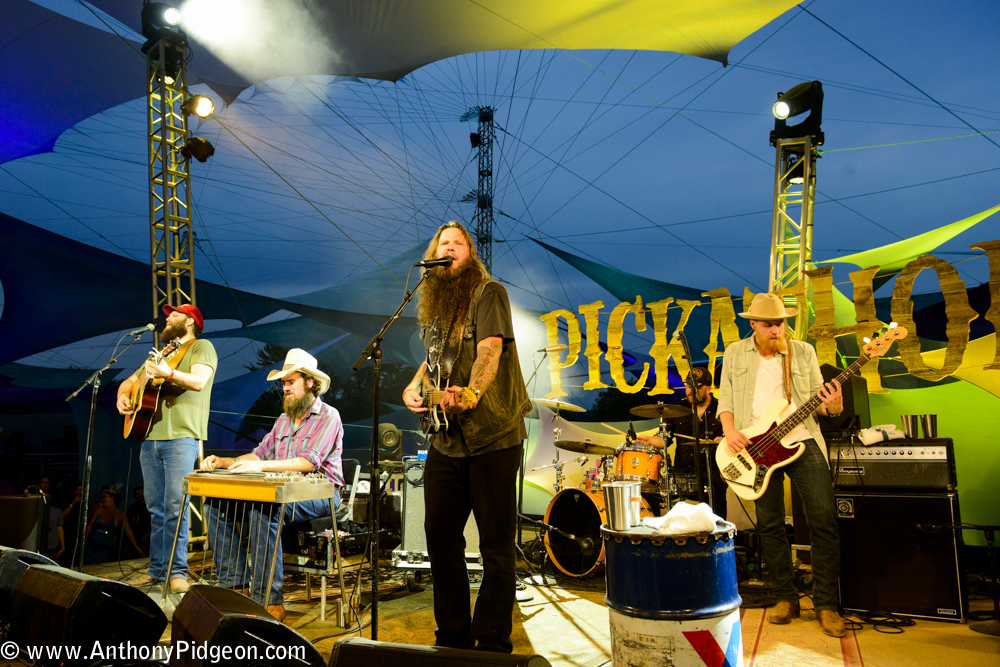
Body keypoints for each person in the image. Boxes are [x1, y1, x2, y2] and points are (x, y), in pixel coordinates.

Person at [402, 221, 532, 653]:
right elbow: (436, 357)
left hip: (492, 435)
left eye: (457, 243)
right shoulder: (436, 302)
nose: (449, 249)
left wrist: (473, 391)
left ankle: (492, 639)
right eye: (443, 244)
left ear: (469, 253)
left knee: (495, 545)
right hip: (446, 437)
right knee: (440, 538)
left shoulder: (488, 292)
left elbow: (489, 348)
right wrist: (414, 384)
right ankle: (453, 637)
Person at [716, 292, 846, 638]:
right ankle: (786, 598)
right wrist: (730, 431)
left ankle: (826, 605)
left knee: (823, 519)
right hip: (755, 444)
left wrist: (832, 405)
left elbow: (820, 399)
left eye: (781, 323)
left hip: (803, 438)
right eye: (769, 324)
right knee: (770, 523)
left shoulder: (802, 351)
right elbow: (725, 396)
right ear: (753, 324)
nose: (776, 329)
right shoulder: (735, 353)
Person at [201, 348, 344, 622]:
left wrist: (261, 467)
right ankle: (236, 587)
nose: (285, 388)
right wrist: (224, 461)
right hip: (282, 492)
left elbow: (307, 462)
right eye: (283, 383)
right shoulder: (282, 421)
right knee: (215, 505)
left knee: (263, 510)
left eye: (291, 382)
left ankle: (269, 601)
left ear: (310, 382)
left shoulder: (329, 416)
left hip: (323, 494)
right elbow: (257, 455)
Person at [116, 303, 217, 593]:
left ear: (190, 321)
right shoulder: (165, 352)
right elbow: (130, 381)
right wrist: (123, 396)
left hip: (181, 437)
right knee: (156, 509)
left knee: (176, 506)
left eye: (173, 314)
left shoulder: (201, 347)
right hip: (149, 437)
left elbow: (198, 382)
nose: (167, 318)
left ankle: (177, 571)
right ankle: (157, 569)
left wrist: (168, 373)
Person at [637, 366, 727, 518]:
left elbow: (732, 437)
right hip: (682, 470)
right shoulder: (676, 409)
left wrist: (724, 441)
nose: (691, 390)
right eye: (688, 386)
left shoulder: (722, 409)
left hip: (711, 471)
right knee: (655, 492)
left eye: (697, 387)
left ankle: (719, 534)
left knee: (717, 498)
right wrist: (650, 440)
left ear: (709, 388)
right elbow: (664, 439)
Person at [84, 488, 144, 564]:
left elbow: (128, 531)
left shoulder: (120, 515)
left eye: (105, 497)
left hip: (106, 551)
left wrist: (137, 548)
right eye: (102, 497)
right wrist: (84, 541)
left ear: (113, 498)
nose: (103, 499)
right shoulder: (99, 510)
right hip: (91, 548)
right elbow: (90, 526)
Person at [126, 486, 151, 558]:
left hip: (150, 536)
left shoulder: (150, 506)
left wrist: (148, 533)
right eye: (138, 493)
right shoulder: (133, 507)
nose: (140, 495)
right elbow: (127, 522)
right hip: (137, 537)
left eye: (142, 492)